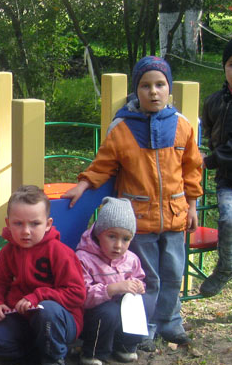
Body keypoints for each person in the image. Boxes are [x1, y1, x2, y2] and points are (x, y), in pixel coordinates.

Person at [63, 56, 202, 349]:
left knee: (173, 274)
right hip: (139, 220)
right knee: (148, 278)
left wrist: (192, 206)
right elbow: (103, 164)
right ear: (136, 91)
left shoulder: (182, 125)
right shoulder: (123, 127)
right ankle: (145, 329)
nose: (153, 92)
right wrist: (83, 185)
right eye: (145, 86)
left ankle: (171, 322)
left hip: (175, 216)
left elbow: (192, 169)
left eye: (160, 85)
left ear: (169, 88)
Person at [0, 185, 87, 365]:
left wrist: (38, 296)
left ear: (48, 224)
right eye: (18, 224)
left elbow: (77, 294)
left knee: (47, 310)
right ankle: (35, 354)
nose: (26, 231)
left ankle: (54, 360)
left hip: (59, 320)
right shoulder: (9, 251)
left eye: (34, 224)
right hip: (21, 318)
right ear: (8, 223)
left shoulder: (60, 252)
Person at [75, 197, 147, 365]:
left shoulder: (131, 259)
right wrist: (111, 289)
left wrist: (138, 286)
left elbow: (139, 278)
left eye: (125, 239)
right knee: (108, 312)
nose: (118, 245)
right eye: (112, 236)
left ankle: (125, 346)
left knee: (142, 302)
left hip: (121, 309)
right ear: (98, 233)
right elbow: (82, 296)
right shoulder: (83, 258)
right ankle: (93, 352)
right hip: (93, 315)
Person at [197, 39, 232, 297]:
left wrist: (209, 160)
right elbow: (210, 133)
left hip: (219, 165)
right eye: (231, 65)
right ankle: (225, 268)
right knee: (228, 219)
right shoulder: (214, 102)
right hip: (227, 180)